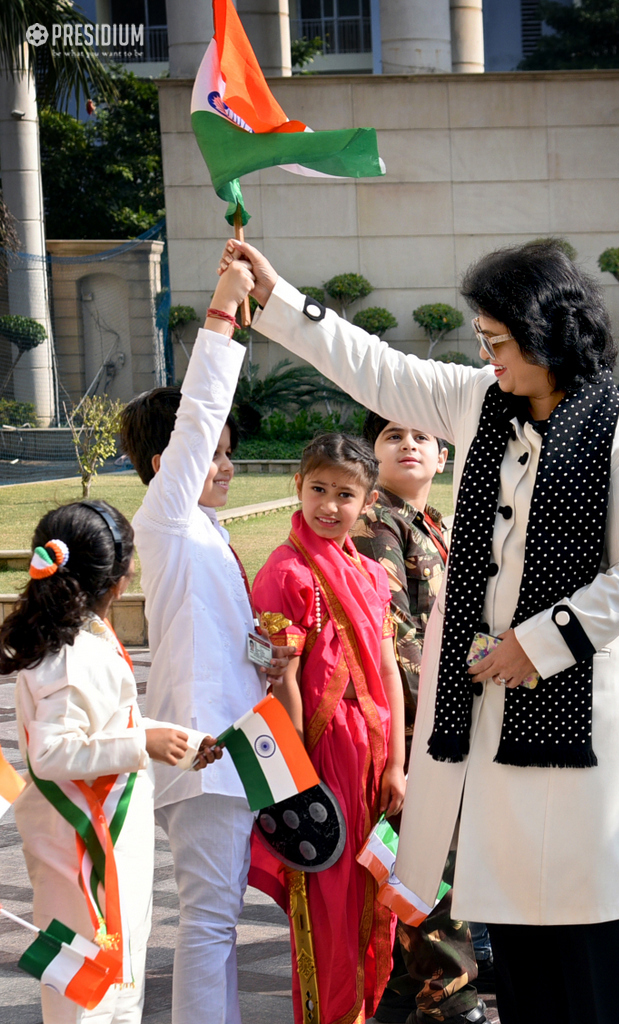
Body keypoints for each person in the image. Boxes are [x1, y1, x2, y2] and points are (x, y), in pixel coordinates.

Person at [221, 237, 619, 1024]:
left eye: (498, 341)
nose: (486, 354)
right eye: (482, 341)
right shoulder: (478, 401)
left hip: (586, 726)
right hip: (493, 723)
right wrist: (279, 298)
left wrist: (536, 642)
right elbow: (376, 368)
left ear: (546, 337)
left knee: (593, 933)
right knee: (523, 938)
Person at [119, 255, 295, 1024]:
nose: (224, 466)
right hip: (202, 750)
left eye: (226, 454)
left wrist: (270, 657)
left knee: (223, 917)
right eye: (213, 454)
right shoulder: (165, 519)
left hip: (242, 745)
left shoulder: (208, 532)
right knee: (210, 920)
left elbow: (224, 640)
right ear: (167, 467)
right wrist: (223, 313)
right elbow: (197, 411)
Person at [1, 501, 217, 1024]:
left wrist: (178, 742)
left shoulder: (87, 636)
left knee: (121, 976)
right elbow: (53, 752)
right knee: (87, 992)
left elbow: (105, 728)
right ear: (122, 577)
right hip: (78, 843)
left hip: (109, 834)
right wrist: (143, 745)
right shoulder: (72, 655)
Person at [249, 433, 406, 1024]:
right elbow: (281, 681)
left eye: (345, 494)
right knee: (327, 909)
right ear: (298, 486)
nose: (329, 505)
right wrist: (298, 777)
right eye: (318, 489)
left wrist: (396, 764)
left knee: (373, 903)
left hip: (374, 762)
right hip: (322, 763)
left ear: (366, 502)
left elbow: (387, 666)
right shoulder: (284, 573)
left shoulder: (369, 575)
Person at [351, 415, 489, 1024]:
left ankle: (407, 994)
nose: (408, 444)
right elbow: (397, 637)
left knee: (431, 860)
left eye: (422, 438)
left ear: (442, 456)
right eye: (391, 436)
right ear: (372, 454)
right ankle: (448, 997)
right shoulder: (378, 522)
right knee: (429, 862)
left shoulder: (429, 522)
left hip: (442, 720)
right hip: (416, 726)